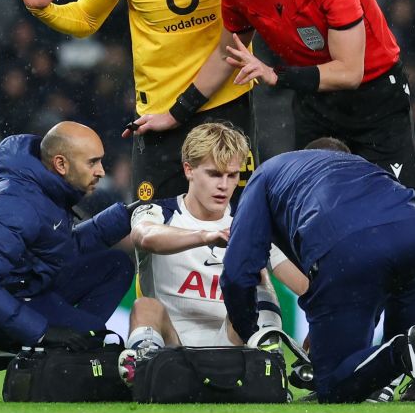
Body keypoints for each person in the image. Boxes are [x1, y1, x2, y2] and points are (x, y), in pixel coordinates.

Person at [134, 0, 415, 189]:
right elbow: (225, 55)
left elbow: (349, 72)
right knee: (311, 207)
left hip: (375, 98)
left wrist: (275, 74)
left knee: (391, 205)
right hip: (314, 102)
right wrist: (176, 113)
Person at [13, 0, 257, 203]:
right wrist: (45, 10)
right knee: (152, 225)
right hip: (159, 113)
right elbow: (87, 19)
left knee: (237, 225)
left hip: (227, 102)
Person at [219, 140, 415, 404]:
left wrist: (248, 332)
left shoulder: (267, 174)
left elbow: (238, 270)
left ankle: (402, 353)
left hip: (347, 247)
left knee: (334, 386)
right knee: (405, 340)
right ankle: (409, 362)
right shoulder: (361, 166)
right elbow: (378, 253)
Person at [0, 122, 135, 401]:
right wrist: (42, 332)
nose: (101, 171)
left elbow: (63, 250)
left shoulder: (46, 189)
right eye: (93, 162)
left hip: (23, 287)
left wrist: (126, 217)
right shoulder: (17, 201)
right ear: (61, 164)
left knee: (115, 266)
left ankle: (53, 351)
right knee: (92, 343)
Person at [117, 122, 308, 383]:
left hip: (231, 346)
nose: (224, 186)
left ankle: (269, 363)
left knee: (259, 282)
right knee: (145, 306)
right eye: (214, 174)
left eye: (232, 175)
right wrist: (205, 237)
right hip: (173, 347)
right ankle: (144, 367)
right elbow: (144, 237)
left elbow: (302, 286)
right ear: (189, 170)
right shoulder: (158, 212)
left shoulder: (250, 222)